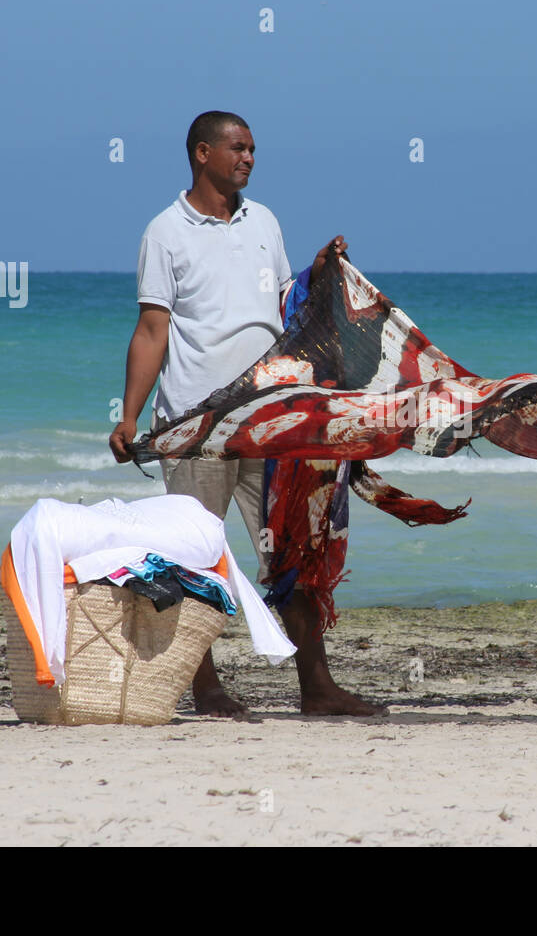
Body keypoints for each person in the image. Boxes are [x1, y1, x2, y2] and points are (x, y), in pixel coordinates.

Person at [108, 110, 385, 718]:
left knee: (293, 552)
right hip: (196, 425)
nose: (249, 158)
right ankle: (205, 690)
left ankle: (316, 688)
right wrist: (129, 417)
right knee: (194, 557)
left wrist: (319, 272)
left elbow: (288, 306)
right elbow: (153, 328)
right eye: (238, 148)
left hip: (270, 418)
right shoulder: (165, 232)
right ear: (202, 153)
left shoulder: (265, 222)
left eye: (254, 149)